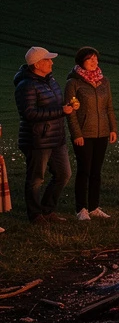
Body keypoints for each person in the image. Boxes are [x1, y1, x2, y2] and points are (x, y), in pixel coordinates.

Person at [13, 46, 74, 223]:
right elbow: (29, 114)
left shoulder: (50, 80)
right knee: (36, 179)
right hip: (37, 139)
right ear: (38, 64)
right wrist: (61, 111)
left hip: (56, 137)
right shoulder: (26, 85)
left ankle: (48, 210)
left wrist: (68, 106)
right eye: (47, 59)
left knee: (64, 174)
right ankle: (35, 214)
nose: (52, 62)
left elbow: (54, 105)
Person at [64, 46, 118, 219]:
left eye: (95, 58)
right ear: (81, 62)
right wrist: (76, 134)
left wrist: (113, 128)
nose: (94, 62)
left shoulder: (104, 81)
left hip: (101, 132)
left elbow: (109, 107)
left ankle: (94, 206)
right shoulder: (73, 83)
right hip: (84, 134)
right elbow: (71, 112)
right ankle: (81, 209)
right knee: (84, 170)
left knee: (96, 171)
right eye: (90, 59)